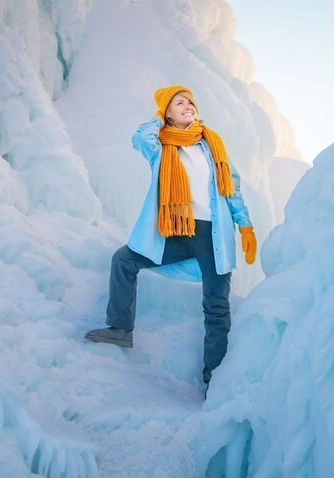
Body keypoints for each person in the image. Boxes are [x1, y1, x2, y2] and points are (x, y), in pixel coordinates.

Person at [84, 85, 257, 395]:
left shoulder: (212, 146)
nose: (188, 105)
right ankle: (120, 328)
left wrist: (245, 226)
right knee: (124, 260)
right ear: (167, 112)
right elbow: (140, 138)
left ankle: (213, 380)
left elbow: (233, 188)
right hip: (178, 232)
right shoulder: (161, 147)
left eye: (190, 101)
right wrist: (159, 117)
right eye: (179, 103)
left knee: (216, 306)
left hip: (213, 235)